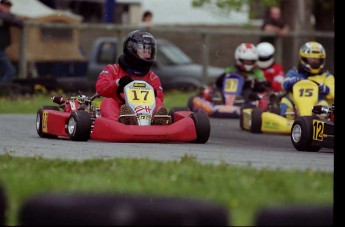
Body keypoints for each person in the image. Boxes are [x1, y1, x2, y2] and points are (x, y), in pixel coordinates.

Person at [95, 30, 167, 125]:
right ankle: (120, 122)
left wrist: (153, 95)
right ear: (131, 49)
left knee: (157, 100)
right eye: (143, 49)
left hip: (145, 113)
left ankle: (157, 122)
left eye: (149, 50)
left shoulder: (152, 77)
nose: (148, 53)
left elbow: (160, 98)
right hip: (120, 110)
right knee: (107, 102)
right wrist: (118, 83)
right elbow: (100, 88)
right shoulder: (113, 69)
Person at [279, 41, 334, 118]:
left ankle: (319, 123)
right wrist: (290, 82)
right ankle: (288, 121)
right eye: (311, 59)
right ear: (304, 59)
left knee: (324, 105)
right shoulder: (294, 72)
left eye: (317, 59)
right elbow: (283, 86)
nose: (314, 62)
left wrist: (325, 89)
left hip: (316, 105)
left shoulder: (326, 76)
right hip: (295, 106)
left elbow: (332, 93)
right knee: (285, 101)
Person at [0, 0, 23, 84]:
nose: (7, 7)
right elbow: (8, 18)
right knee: (10, 71)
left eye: (8, 5)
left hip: (2, 49)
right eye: (4, 5)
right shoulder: (4, 16)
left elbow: (20, 23)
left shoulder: (7, 16)